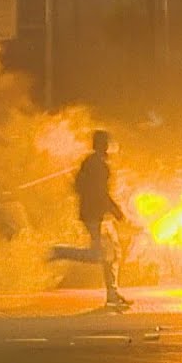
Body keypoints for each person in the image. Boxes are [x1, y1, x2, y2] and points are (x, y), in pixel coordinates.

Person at [49, 129, 132, 308]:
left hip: (96, 214)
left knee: (112, 252)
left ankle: (112, 293)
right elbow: (101, 192)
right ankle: (59, 252)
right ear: (104, 145)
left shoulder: (92, 162)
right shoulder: (98, 165)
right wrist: (116, 211)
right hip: (95, 215)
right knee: (99, 254)